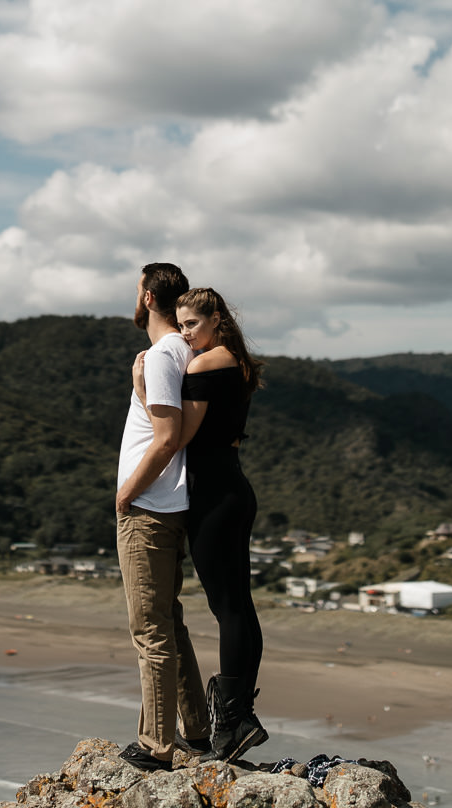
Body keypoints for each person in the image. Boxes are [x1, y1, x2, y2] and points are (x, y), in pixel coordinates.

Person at [113, 262, 210, 771]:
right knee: (170, 624)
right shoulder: (178, 351)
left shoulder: (161, 354)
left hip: (149, 509)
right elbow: (166, 426)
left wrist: (126, 493)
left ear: (148, 297)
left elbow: (168, 436)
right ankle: (196, 733)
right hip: (170, 507)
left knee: (149, 629)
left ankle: (156, 746)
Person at [175, 287, 269, 760]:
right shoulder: (235, 360)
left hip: (214, 495)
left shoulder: (206, 364)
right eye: (181, 325)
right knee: (237, 608)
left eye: (191, 324)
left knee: (229, 608)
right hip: (229, 489)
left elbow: (182, 433)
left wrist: (142, 388)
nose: (185, 334)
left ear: (215, 319)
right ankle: (238, 721)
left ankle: (234, 723)